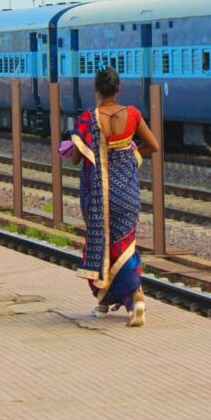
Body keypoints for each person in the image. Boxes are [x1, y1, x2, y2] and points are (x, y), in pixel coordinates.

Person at [68, 67, 159, 327]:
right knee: (124, 247)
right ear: (119, 89)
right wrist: (133, 154)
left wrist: (75, 146)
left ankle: (128, 296)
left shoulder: (87, 119)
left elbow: (76, 159)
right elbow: (153, 144)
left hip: (99, 197)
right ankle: (121, 301)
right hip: (127, 193)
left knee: (100, 248)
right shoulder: (132, 114)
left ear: (96, 90)